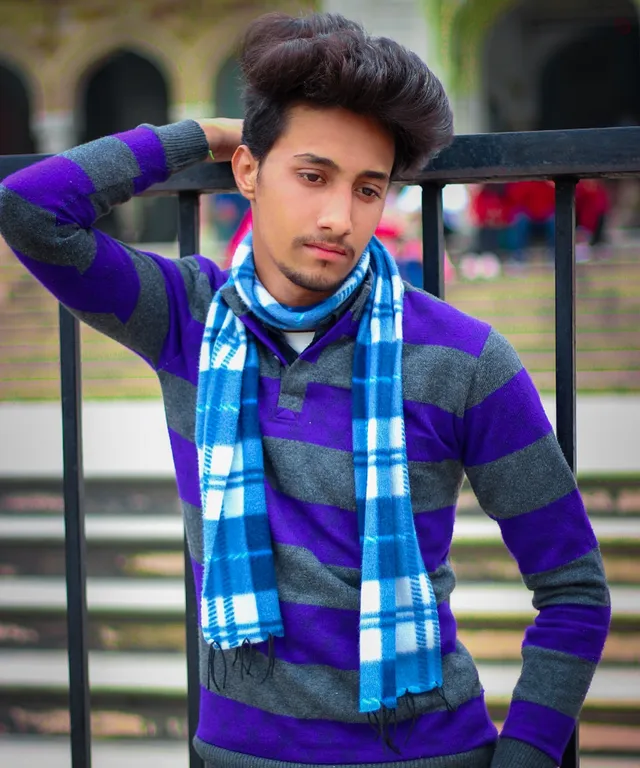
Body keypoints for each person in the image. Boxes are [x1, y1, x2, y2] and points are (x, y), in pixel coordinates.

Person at [0, 12, 610, 768]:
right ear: (250, 173)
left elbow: (575, 593)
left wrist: (524, 760)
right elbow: (31, 209)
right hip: (237, 753)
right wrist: (203, 137)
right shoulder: (184, 318)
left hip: (426, 753)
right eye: (312, 175)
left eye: (367, 189)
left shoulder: (463, 359)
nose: (338, 217)